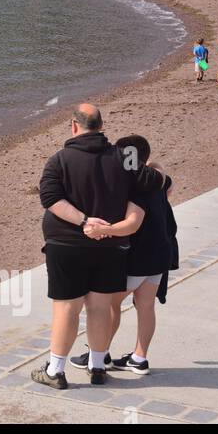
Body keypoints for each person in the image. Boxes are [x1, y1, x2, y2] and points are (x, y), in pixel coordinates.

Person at [31, 104, 148, 389]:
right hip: (110, 245)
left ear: (74, 126)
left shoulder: (59, 160)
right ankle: (97, 366)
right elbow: (144, 189)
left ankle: (56, 370)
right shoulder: (124, 159)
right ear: (101, 126)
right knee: (99, 306)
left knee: (66, 308)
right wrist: (107, 227)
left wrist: (84, 221)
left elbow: (50, 198)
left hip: (66, 244)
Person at [72, 135, 176, 377]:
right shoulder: (157, 180)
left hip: (138, 257)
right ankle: (139, 358)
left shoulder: (137, 186)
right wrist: (155, 166)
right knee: (146, 305)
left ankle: (101, 353)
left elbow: (132, 224)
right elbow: (169, 183)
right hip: (160, 253)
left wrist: (102, 230)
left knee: (109, 305)